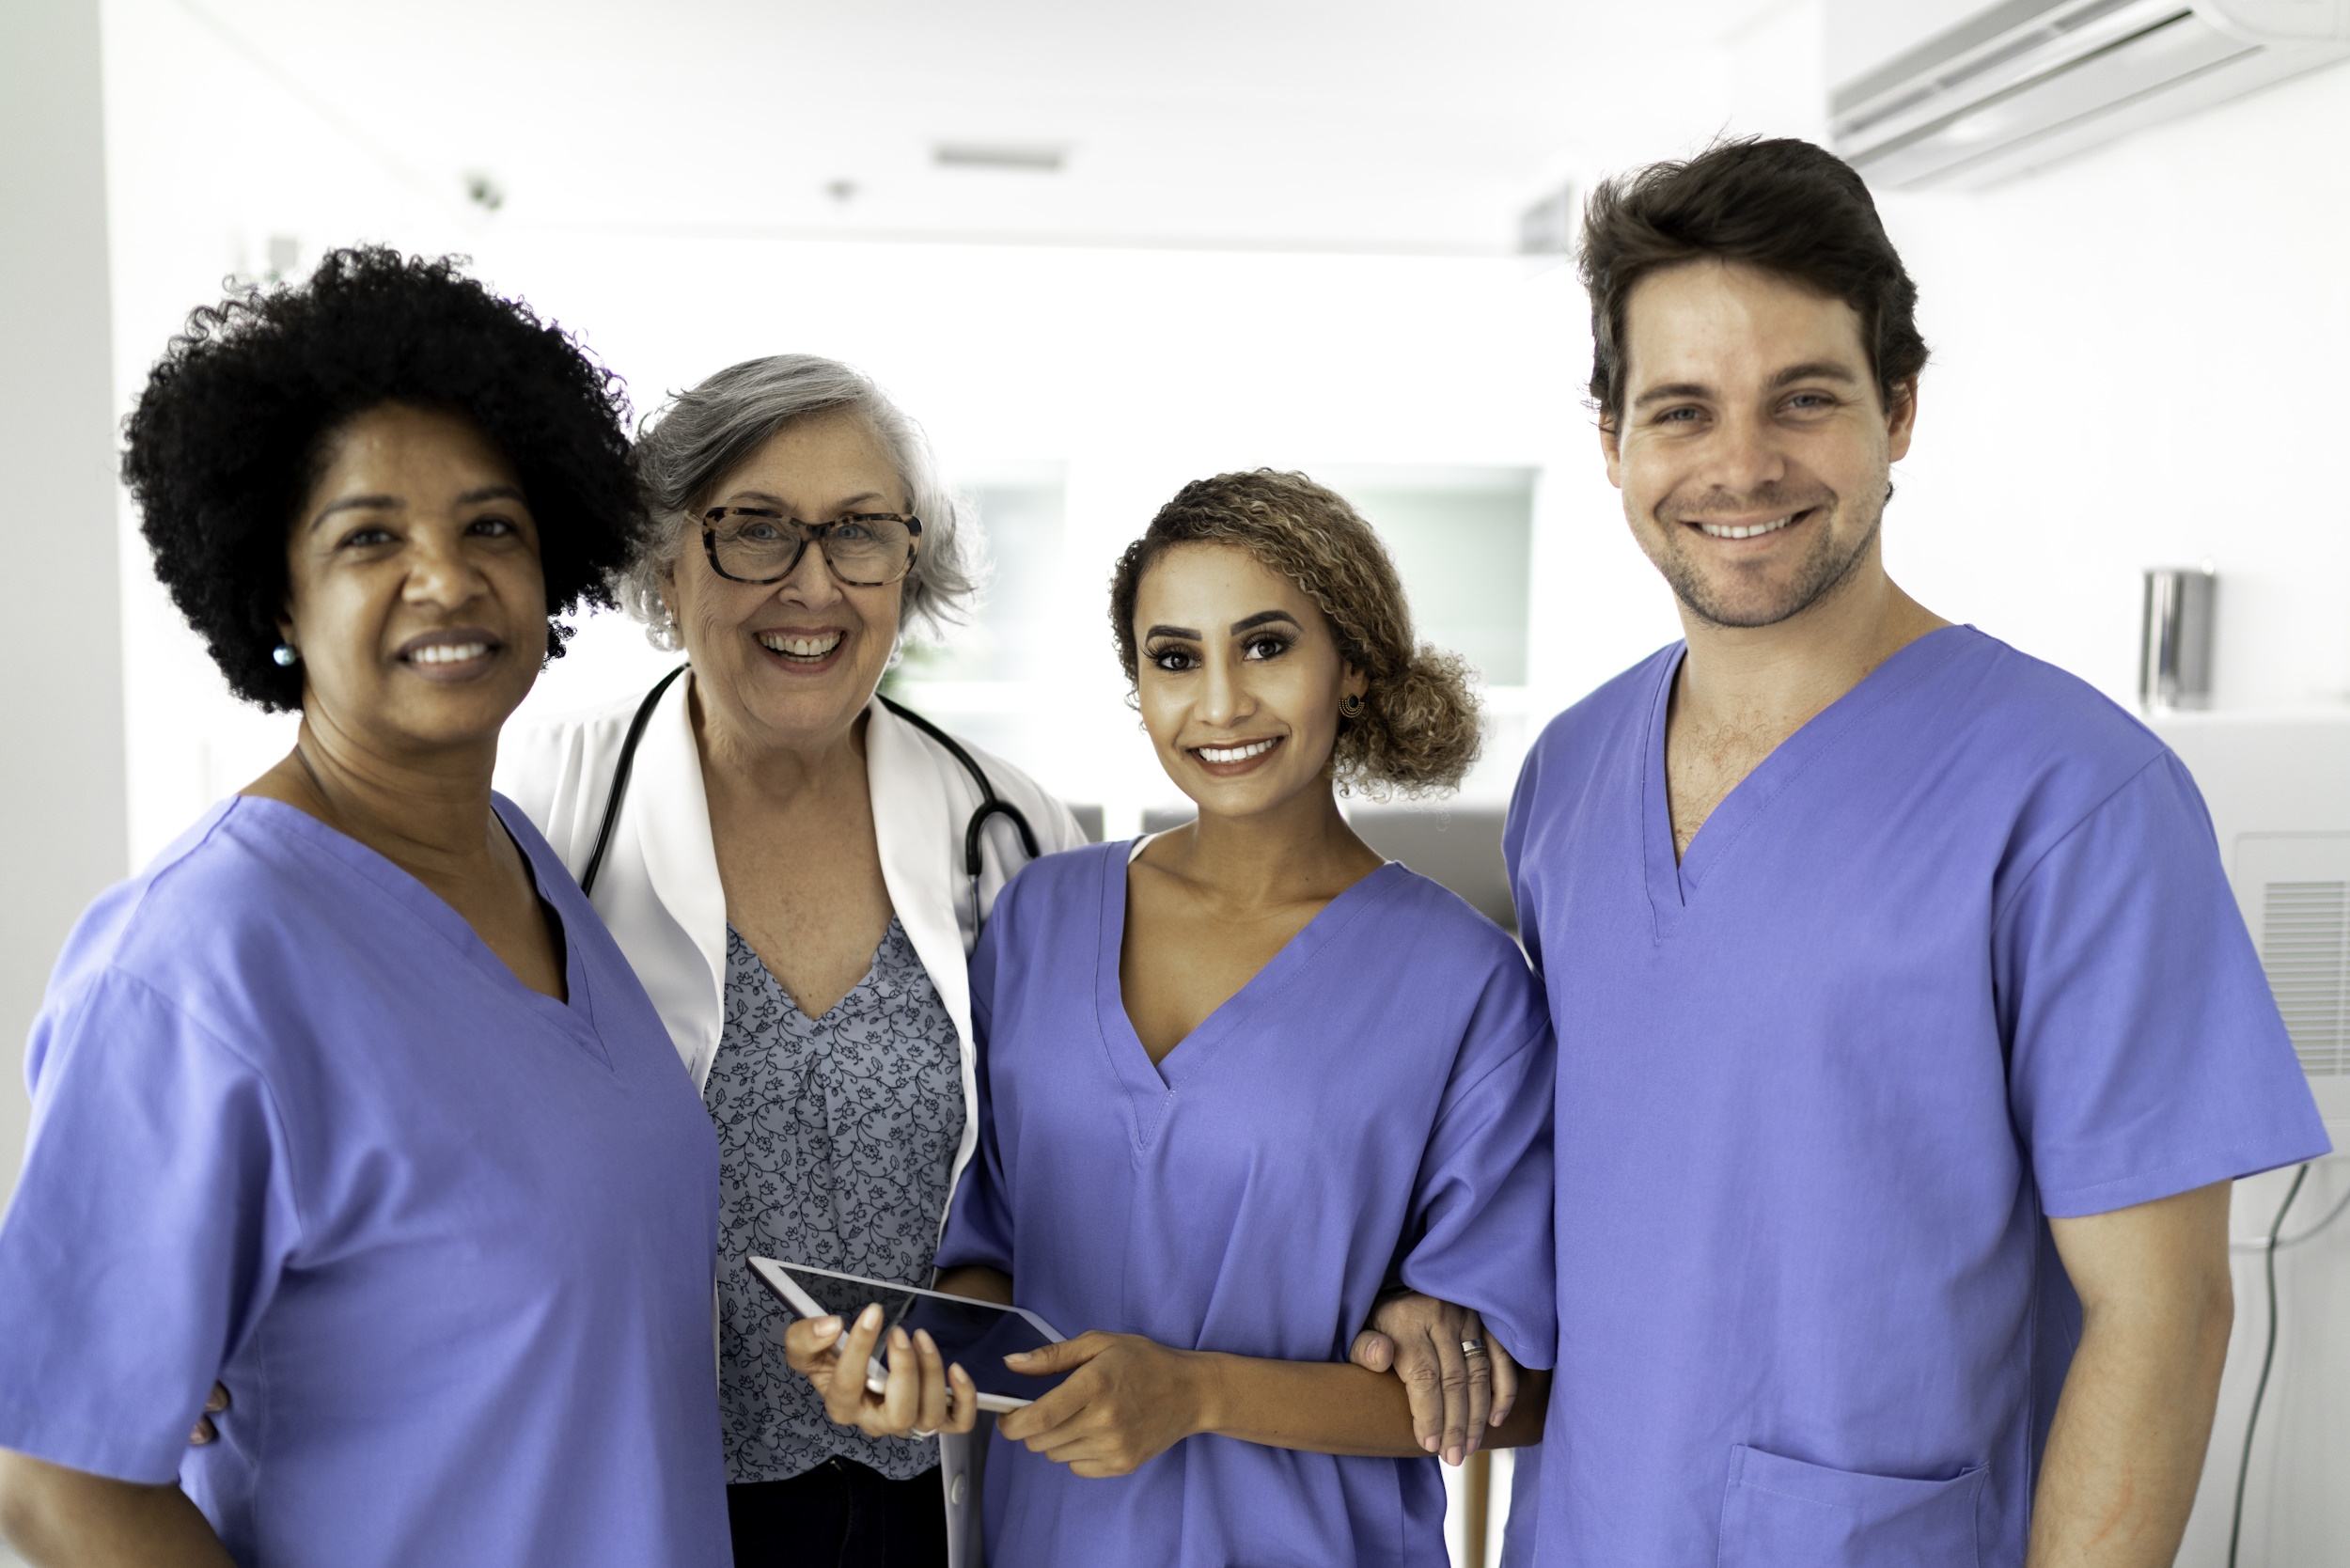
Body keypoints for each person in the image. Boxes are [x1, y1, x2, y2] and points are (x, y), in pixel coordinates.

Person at [1362, 137, 2330, 1567]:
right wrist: (1442, 1296)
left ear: (1898, 410)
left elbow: (2165, 1316)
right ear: (1616, 442)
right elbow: (1615, 1173)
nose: (1740, 466)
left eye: (1803, 400)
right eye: (1682, 409)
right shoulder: (1569, 776)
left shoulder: (2077, 796)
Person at [0, 249, 731, 1568]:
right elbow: (59, 1481)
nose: (446, 580)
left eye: (492, 527)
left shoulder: (526, 865)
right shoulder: (195, 959)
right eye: (369, 537)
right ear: (278, 594)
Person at [794, 469, 1558, 1567]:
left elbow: (1510, 1394)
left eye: (1266, 646)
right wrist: (921, 1366)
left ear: (1351, 667)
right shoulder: (1042, 917)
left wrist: (1194, 1393)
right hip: (1051, 1540)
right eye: (1173, 658)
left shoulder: (1466, 983)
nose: (1219, 705)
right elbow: (994, 1252)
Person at [496, 353, 1088, 1568]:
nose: (813, 584)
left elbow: (1063, 1177)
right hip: (646, 1481)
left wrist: (954, 1341)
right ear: (664, 562)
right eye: (755, 531)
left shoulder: (1014, 829)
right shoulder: (543, 809)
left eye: (861, 532)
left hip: (933, 1490)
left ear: (907, 564)